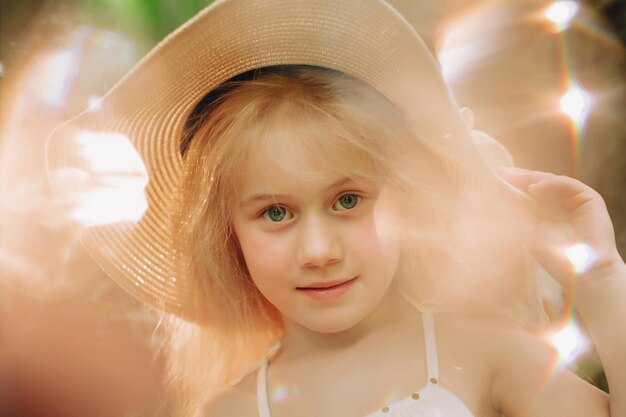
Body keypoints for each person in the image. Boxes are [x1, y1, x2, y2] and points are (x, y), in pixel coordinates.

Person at [46, 0, 626, 416]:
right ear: (227, 234)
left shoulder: (484, 350)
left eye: (348, 200)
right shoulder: (230, 411)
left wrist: (602, 280)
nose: (319, 251)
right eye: (276, 213)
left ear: (407, 202)